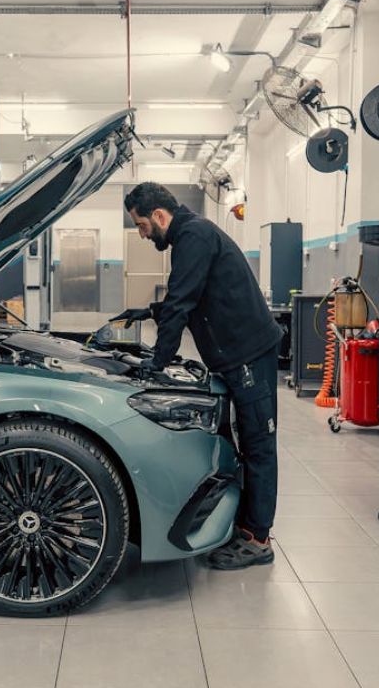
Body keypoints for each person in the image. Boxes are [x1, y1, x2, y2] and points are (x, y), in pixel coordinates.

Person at [114, 182, 283, 570]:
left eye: (141, 225)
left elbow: (183, 301)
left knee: (258, 444)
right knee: (245, 441)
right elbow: (193, 297)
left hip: (248, 355)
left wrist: (157, 363)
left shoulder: (194, 236)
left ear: (159, 216)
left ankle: (257, 539)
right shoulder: (192, 236)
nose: (142, 234)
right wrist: (150, 313)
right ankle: (244, 523)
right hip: (236, 356)